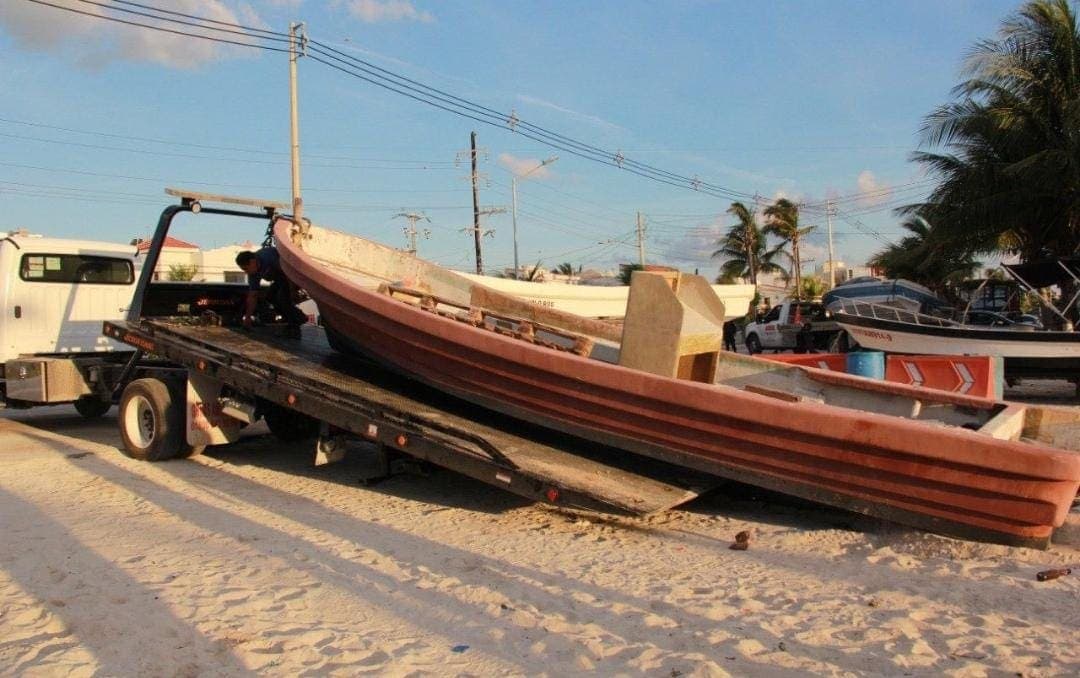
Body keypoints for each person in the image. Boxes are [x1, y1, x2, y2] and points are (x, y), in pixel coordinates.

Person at [235, 247, 307, 337]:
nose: (246, 272)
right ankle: (298, 317)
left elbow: (289, 272)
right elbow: (253, 295)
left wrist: (293, 291)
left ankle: (294, 327)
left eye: (246, 268)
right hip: (281, 279)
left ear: (253, 261)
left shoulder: (269, 257)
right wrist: (248, 317)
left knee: (283, 297)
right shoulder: (253, 274)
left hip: (292, 275)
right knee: (270, 297)